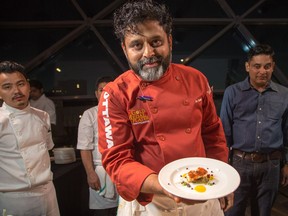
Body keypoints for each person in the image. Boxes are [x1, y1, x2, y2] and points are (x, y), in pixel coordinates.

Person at [97, 1, 234, 215]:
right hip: (151, 202)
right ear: (124, 49)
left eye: (156, 41)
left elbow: (212, 134)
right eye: (137, 45)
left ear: (169, 41)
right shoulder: (115, 94)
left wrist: (223, 180)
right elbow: (117, 160)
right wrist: (165, 186)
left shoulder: (196, 79)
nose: (148, 53)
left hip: (202, 191)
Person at [220, 44, 288, 216]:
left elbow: (286, 133)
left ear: (273, 66)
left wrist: (285, 163)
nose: (262, 71)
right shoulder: (232, 93)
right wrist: (223, 166)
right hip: (238, 164)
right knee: (232, 211)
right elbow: (224, 133)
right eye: (257, 66)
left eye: (267, 66)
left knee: (264, 213)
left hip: (271, 165)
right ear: (247, 66)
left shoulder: (284, 95)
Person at [0, 60, 60, 216]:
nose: (16, 91)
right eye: (7, 87)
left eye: (20, 84)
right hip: (14, 198)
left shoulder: (43, 116)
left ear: (27, 85)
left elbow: (46, 149)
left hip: (47, 192)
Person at [77, 76, 118, 216]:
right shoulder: (89, 114)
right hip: (100, 170)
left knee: (123, 210)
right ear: (96, 94)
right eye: (102, 90)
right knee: (103, 212)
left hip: (121, 170)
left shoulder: (123, 112)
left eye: (109, 90)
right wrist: (90, 173)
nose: (105, 93)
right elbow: (84, 147)